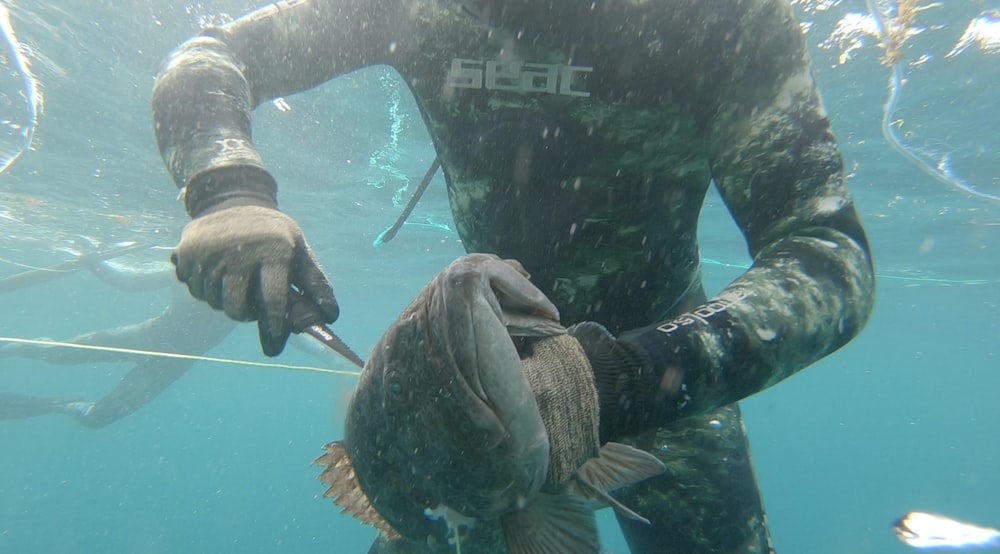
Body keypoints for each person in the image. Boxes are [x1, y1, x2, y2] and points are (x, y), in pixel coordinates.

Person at [150, 0, 876, 552]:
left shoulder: (720, 16)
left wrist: (610, 378)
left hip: (660, 388)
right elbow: (210, 57)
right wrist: (228, 192)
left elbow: (830, 255)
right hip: (477, 392)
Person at [0, 253, 342, 428]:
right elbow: (130, 282)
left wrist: (337, 361)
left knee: (96, 418)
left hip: (169, 367)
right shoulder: (189, 266)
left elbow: (296, 334)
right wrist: (95, 263)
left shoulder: (254, 292)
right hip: (143, 337)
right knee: (57, 354)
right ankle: (10, 344)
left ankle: (62, 405)